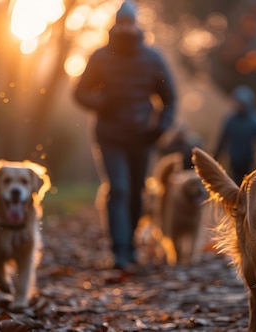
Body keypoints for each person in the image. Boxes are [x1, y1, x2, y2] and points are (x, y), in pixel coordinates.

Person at [73, 1, 176, 271]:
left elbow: (170, 98)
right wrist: (101, 102)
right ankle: (119, 250)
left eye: (130, 22)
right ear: (116, 24)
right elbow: (80, 92)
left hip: (142, 136)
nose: (126, 27)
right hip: (110, 135)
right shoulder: (100, 57)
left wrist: (161, 126)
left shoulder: (153, 58)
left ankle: (130, 246)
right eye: (122, 22)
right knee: (118, 189)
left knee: (136, 192)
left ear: (137, 24)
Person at [214, 85, 256, 185]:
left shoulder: (255, 119)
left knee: (248, 184)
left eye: (242, 103)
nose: (240, 105)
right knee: (235, 184)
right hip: (234, 159)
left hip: (249, 160)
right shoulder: (231, 120)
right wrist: (216, 155)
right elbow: (222, 139)